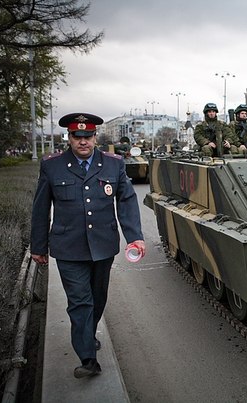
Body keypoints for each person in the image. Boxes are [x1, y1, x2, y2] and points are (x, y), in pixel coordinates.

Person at [30, 113, 145, 379]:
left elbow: (126, 200)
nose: (82, 141)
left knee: (97, 298)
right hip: (68, 247)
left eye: (87, 136)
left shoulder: (113, 164)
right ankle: (88, 358)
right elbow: (40, 209)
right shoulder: (52, 166)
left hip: (103, 246)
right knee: (80, 302)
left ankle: (87, 334)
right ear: (68, 138)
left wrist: (135, 236)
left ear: (95, 137)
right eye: (76, 136)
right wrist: (38, 246)